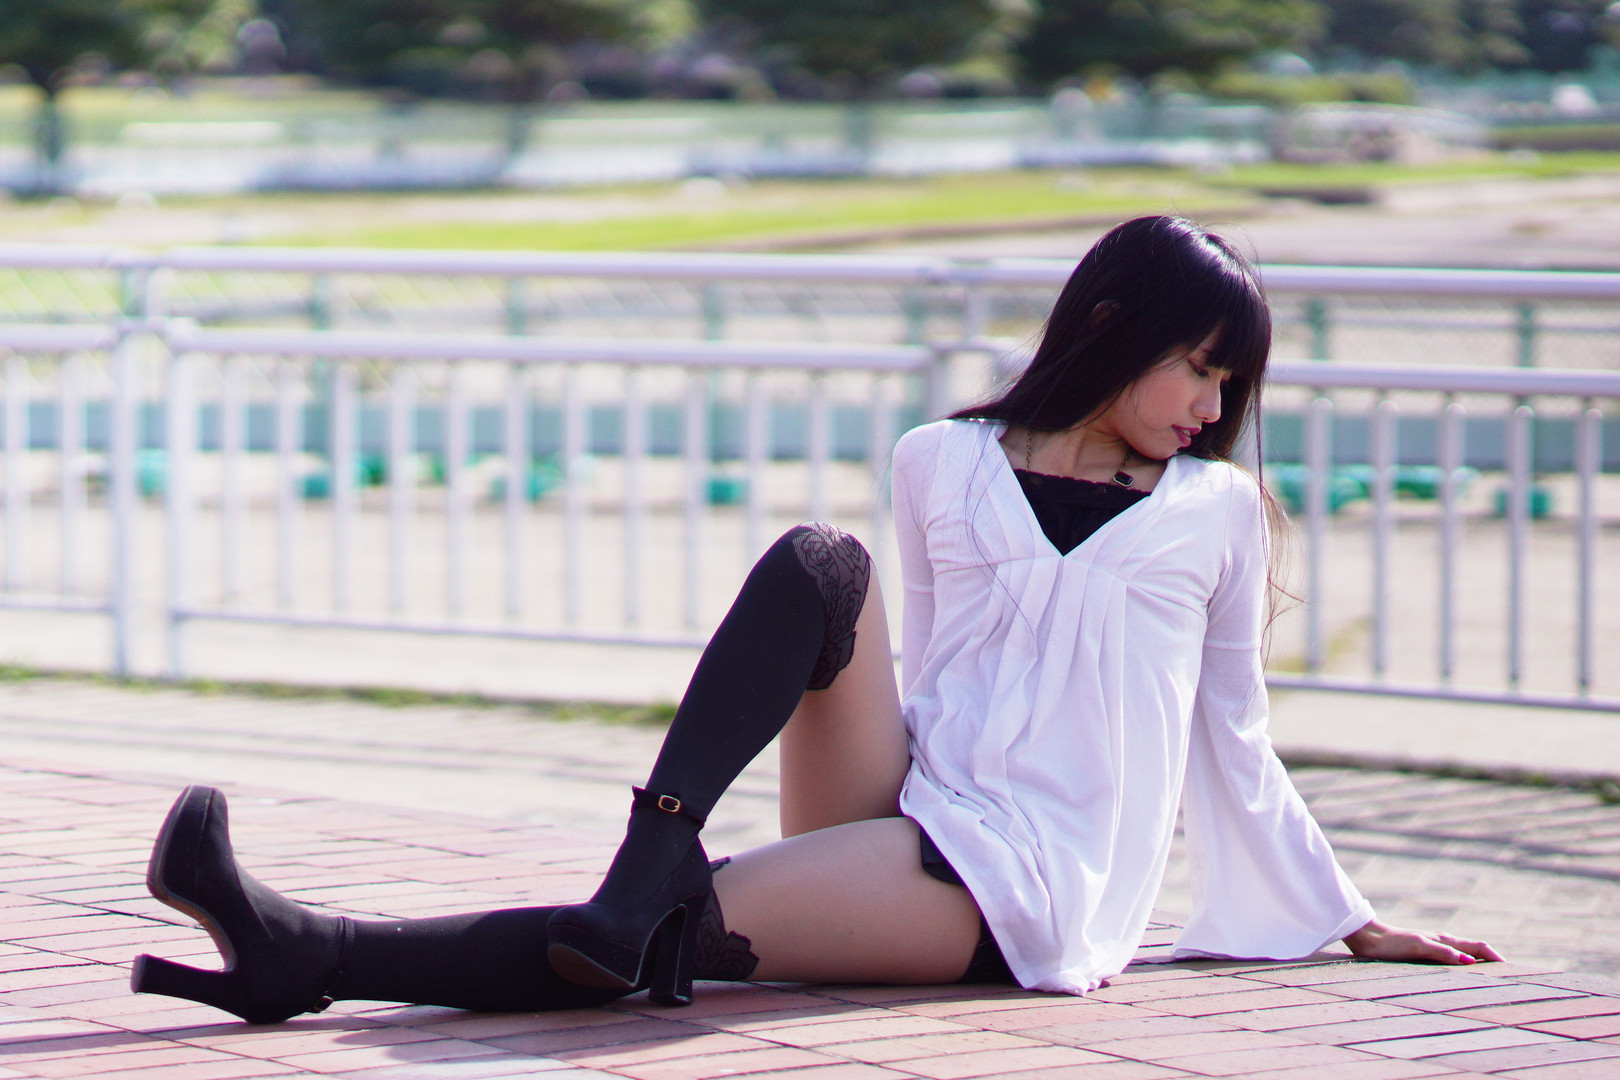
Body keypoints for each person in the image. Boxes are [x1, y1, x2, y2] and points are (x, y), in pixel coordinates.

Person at [130, 216, 1501, 1025]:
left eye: (1229, 385)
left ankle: (311, 956)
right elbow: (918, 668)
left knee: (662, 943)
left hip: (1028, 880)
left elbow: (1234, 736)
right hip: (916, 799)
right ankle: (647, 855)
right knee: (818, 561)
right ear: (1110, 323)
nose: (1211, 406)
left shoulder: (1215, 513)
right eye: (1197, 367)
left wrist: (1350, 918)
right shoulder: (942, 460)